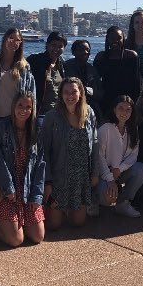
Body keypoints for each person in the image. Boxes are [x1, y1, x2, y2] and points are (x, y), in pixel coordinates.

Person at [0, 90, 46, 247]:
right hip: (5, 191)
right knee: (16, 240)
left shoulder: (36, 131)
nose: (24, 110)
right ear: (13, 106)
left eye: (28, 107)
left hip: (26, 189)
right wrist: (8, 188)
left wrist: (36, 196)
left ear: (33, 109)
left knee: (38, 237)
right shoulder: (0, 129)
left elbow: (40, 165)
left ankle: (17, 221)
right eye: (20, 105)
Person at [39, 77, 98, 229]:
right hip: (59, 177)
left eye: (74, 91)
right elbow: (43, 151)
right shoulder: (52, 117)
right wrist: (48, 182)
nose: (70, 95)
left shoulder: (89, 113)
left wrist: (95, 173)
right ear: (61, 95)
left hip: (81, 176)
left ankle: (68, 210)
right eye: (66, 92)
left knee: (78, 223)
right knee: (54, 225)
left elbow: (95, 143)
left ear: (81, 93)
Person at [94, 95, 143, 217]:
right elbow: (99, 156)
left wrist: (120, 169)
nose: (124, 112)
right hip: (104, 173)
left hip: (119, 171)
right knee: (107, 200)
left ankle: (123, 202)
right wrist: (110, 179)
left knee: (141, 170)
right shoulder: (105, 128)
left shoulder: (133, 129)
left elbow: (134, 155)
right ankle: (94, 198)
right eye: (121, 108)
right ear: (114, 110)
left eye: (128, 109)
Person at [0, 28, 35, 121]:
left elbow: (31, 93)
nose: (14, 42)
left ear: (20, 43)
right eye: (11, 38)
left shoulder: (24, 67)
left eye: (17, 40)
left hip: (14, 116)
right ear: (5, 39)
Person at [94, 26, 141, 119]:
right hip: (107, 101)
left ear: (123, 38)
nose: (115, 41)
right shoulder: (101, 57)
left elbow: (137, 82)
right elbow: (95, 82)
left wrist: (134, 103)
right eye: (112, 38)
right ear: (107, 40)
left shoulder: (131, 56)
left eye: (119, 38)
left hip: (127, 101)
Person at [27, 31, 67, 122]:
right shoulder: (34, 61)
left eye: (60, 46)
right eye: (53, 45)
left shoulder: (62, 65)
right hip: (39, 113)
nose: (56, 49)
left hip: (58, 113)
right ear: (47, 45)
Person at [63, 39, 103, 120]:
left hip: (91, 109)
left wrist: (91, 92)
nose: (85, 52)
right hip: (70, 107)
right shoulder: (65, 67)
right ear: (73, 52)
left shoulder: (92, 70)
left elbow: (100, 93)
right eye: (81, 50)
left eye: (87, 50)